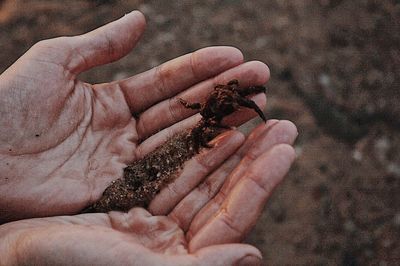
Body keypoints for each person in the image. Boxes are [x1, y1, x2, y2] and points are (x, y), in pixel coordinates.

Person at [0, 11, 297, 265]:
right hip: (211, 114)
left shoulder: (223, 100)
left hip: (211, 113)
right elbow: (213, 105)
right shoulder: (214, 108)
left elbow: (228, 98)